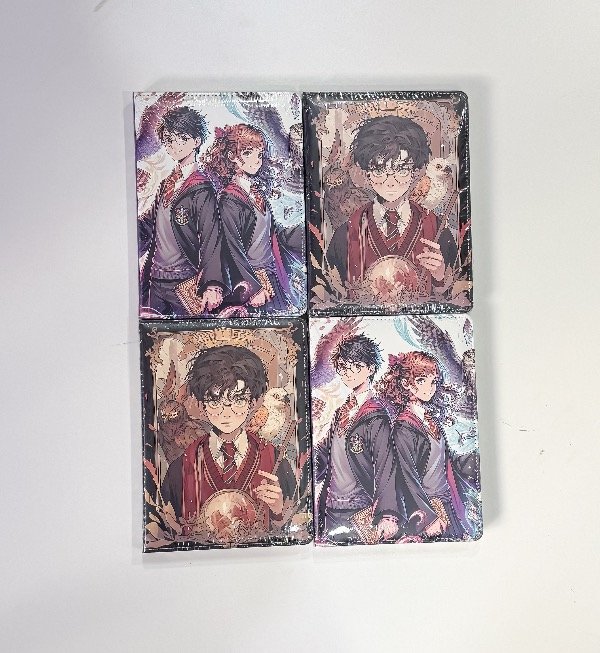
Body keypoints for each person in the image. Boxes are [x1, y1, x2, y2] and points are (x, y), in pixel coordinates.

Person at [161, 345, 295, 528]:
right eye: (215, 401)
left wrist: (279, 511)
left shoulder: (274, 459)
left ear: (253, 402)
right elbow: (166, 527)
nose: (226, 412)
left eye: (238, 400)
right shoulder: (182, 466)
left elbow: (296, 524)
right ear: (202, 405)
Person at [326, 116, 457, 297]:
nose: (390, 181)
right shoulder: (346, 234)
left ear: (414, 171)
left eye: (401, 169)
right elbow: (330, 294)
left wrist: (440, 275)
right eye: (379, 170)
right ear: (367, 172)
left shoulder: (437, 229)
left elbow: (458, 294)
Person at [202, 124, 304, 314]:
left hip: (272, 274)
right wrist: (253, 288)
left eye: (259, 153)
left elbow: (276, 235)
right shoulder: (229, 199)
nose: (256, 159)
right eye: (248, 153)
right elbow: (233, 250)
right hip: (251, 281)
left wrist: (306, 232)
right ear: (232, 156)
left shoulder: (256, 193)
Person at [378, 351, 480, 540]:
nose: (430, 387)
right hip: (426, 508)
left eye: (433, 381)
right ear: (406, 384)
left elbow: (446, 462)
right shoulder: (404, 426)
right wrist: (429, 517)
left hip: (447, 500)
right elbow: (407, 476)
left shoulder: (430, 420)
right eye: (422, 380)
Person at [138, 106, 226, 317]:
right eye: (169, 139)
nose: (173, 144)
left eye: (182, 138)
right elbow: (148, 225)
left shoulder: (202, 188)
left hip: (186, 282)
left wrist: (212, 284)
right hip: (155, 279)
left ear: (196, 141)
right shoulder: (166, 184)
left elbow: (212, 237)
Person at [314, 334, 401, 544]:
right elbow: (324, 453)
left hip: (361, 509)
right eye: (343, 367)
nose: (348, 372)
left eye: (356, 366)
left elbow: (386, 465)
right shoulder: (342, 411)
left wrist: (388, 514)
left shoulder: (377, 415)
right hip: (331, 506)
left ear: (370, 369)